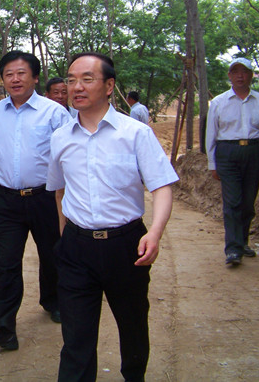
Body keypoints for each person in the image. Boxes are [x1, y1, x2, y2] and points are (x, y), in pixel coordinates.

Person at [47, 52, 178, 382]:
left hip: (126, 246)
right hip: (76, 248)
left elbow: (162, 186)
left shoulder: (135, 134)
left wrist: (155, 233)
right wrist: (64, 236)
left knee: (133, 327)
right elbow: (59, 191)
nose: (76, 87)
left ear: (109, 86)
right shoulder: (61, 137)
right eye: (71, 80)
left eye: (87, 79)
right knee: (76, 338)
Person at [0, 51, 71, 351]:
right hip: (6, 201)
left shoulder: (54, 113)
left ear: (35, 77)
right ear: (2, 79)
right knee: (6, 263)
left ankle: (54, 302)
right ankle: (3, 329)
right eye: (8, 74)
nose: (14, 79)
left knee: (52, 254)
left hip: (45, 197)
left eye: (21, 73)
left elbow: (70, 157)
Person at [205, 57, 259, 266]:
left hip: (255, 152)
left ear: (251, 76)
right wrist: (212, 163)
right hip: (228, 153)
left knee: (247, 203)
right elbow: (211, 134)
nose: (240, 76)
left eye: (244, 72)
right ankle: (233, 249)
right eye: (235, 72)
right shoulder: (219, 102)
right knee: (233, 202)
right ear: (229, 76)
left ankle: (242, 241)